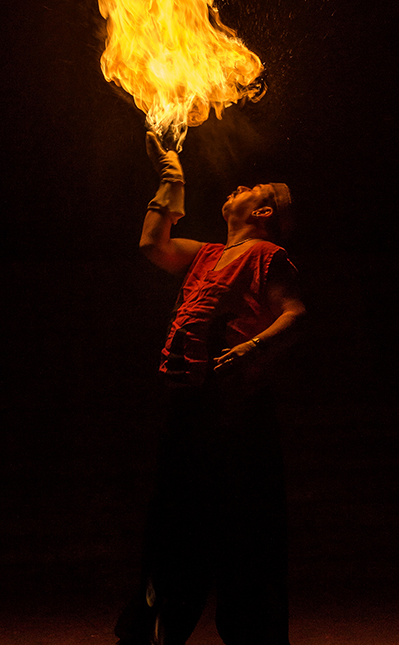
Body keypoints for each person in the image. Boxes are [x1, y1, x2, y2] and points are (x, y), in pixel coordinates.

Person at [115, 132, 306, 645]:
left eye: (255, 187)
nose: (241, 184)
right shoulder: (207, 254)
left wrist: (251, 349)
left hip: (236, 414)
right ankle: (155, 630)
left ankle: (253, 634)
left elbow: (295, 312)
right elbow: (152, 244)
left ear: (264, 213)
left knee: (245, 534)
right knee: (173, 530)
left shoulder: (267, 252)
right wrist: (169, 178)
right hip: (188, 410)